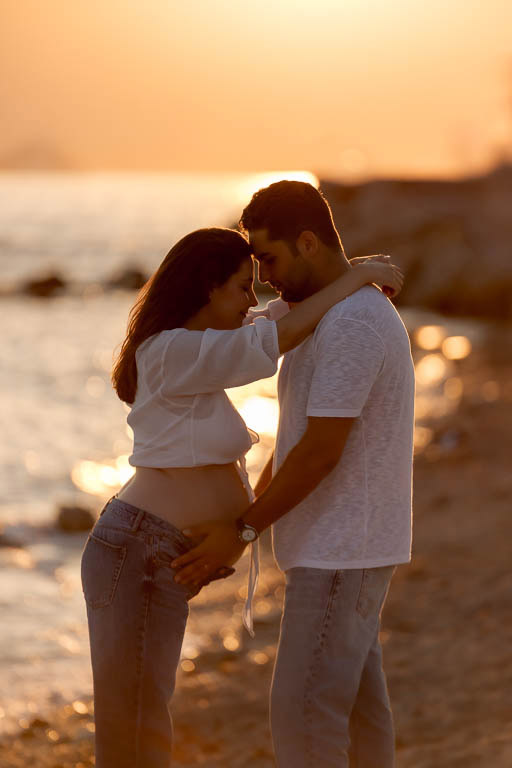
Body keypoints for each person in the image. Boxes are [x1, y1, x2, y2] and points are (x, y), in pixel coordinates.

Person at [80, 225, 403, 768]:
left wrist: (346, 274)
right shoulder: (169, 351)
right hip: (136, 550)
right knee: (133, 726)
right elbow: (276, 337)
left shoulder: (203, 343)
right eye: (243, 287)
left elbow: (280, 318)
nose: (255, 300)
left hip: (160, 553)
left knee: (144, 716)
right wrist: (362, 275)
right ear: (208, 286)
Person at [173, 184, 415, 768]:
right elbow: (299, 432)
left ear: (308, 242)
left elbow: (320, 453)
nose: (264, 278)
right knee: (356, 721)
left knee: (304, 718)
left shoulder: (353, 322)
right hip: (343, 550)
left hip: (341, 553)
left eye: (270, 259)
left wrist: (245, 529)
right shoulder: (324, 310)